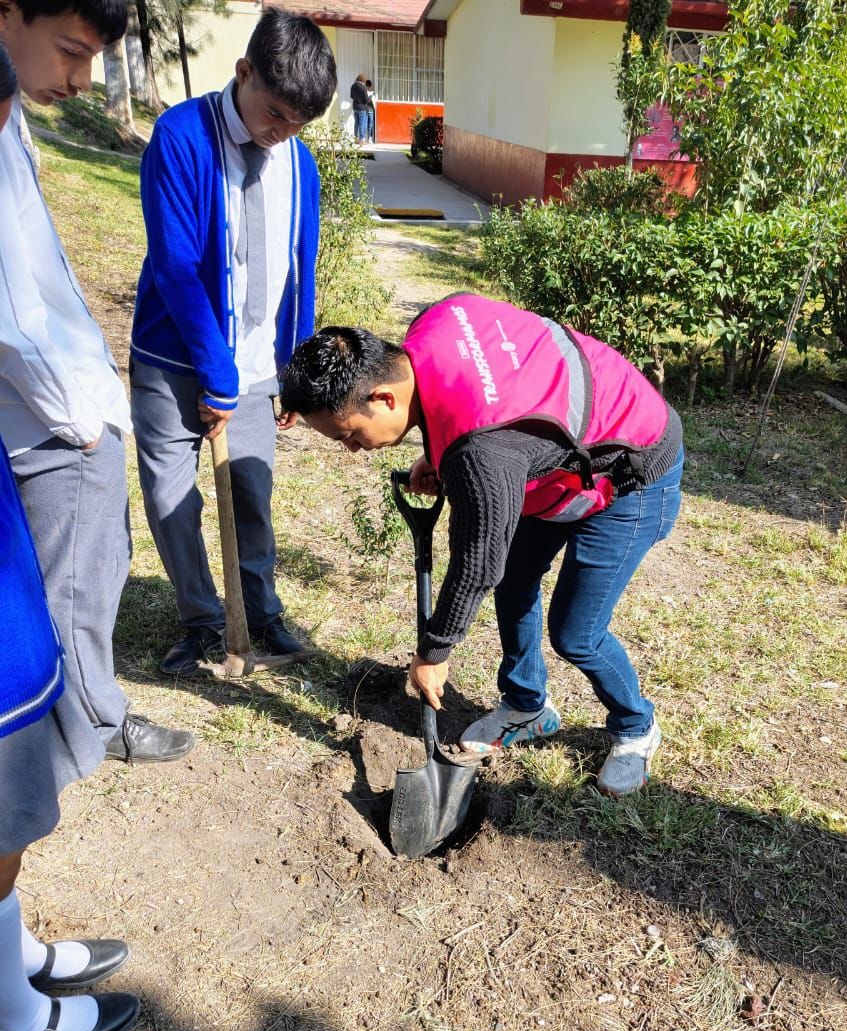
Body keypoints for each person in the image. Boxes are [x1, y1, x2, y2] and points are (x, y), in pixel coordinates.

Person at [278, 294, 684, 797]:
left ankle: (635, 727)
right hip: (563, 459)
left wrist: (434, 650)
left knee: (576, 633)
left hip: (632, 473)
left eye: (351, 435)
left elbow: (477, 562)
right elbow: (484, 411)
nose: (352, 449)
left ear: (383, 397)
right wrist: (440, 453)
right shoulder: (434, 322)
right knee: (516, 583)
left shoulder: (481, 453)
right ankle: (527, 704)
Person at [0, 0, 194, 764]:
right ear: (8, 12)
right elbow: (11, 305)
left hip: (61, 405)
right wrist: (77, 417)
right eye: (71, 51)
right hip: (53, 419)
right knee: (76, 589)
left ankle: (78, 714)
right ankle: (86, 731)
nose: (81, 80)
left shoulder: (14, 118)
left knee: (90, 573)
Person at [0, 42, 139, 1031]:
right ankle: (13, 1014)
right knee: (11, 745)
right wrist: (82, 420)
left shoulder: (11, 120)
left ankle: (9, 959)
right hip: (40, 443)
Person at [130, 9, 337, 676]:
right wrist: (213, 376)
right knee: (172, 500)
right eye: (274, 114)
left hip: (253, 371)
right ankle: (201, 619)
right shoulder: (181, 137)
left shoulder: (298, 165)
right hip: (173, 361)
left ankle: (259, 609)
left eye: (297, 125)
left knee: (251, 493)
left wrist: (296, 371)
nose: (280, 134)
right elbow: (178, 266)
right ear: (243, 71)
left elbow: (297, 272)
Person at [350, 71, 369, 143]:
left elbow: (351, 96)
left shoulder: (353, 86)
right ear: (363, 80)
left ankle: (355, 138)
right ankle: (361, 140)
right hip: (362, 108)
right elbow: (366, 100)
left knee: (356, 123)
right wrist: (370, 97)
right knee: (361, 123)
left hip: (355, 107)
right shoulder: (363, 87)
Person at [364, 78, 376, 144]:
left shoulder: (364, 93)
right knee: (370, 125)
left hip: (365, 110)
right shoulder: (372, 93)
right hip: (370, 110)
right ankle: (369, 138)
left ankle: (366, 138)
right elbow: (374, 104)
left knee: (365, 124)